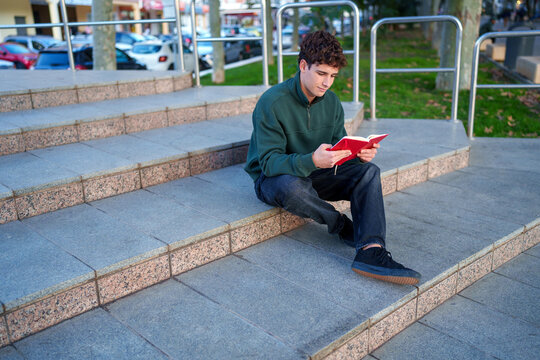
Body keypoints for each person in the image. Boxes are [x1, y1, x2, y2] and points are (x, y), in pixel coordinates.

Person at [244, 31, 421, 285]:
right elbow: (269, 163)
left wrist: (359, 157)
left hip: (316, 171)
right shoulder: (272, 103)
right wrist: (311, 161)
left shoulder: (332, 102)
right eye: (321, 73)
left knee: (369, 172)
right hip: (273, 178)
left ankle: (371, 250)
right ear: (303, 66)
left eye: (333, 76)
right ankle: (341, 226)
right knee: (291, 186)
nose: (327, 83)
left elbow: (340, 150)